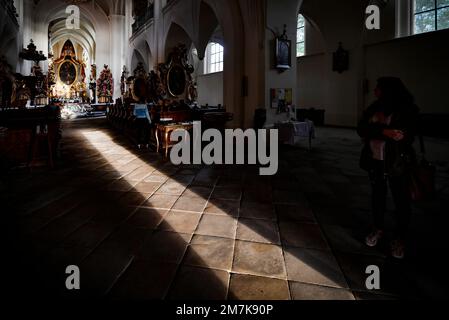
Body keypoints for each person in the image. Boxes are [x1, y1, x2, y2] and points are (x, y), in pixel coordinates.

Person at [357, 77, 420, 259]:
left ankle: (400, 238)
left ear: (388, 91)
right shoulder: (375, 107)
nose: (375, 91)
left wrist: (377, 129)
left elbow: (404, 135)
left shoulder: (408, 109)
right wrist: (384, 131)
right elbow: (361, 128)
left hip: (396, 162)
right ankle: (377, 228)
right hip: (375, 160)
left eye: (378, 88)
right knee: (378, 196)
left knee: (401, 200)